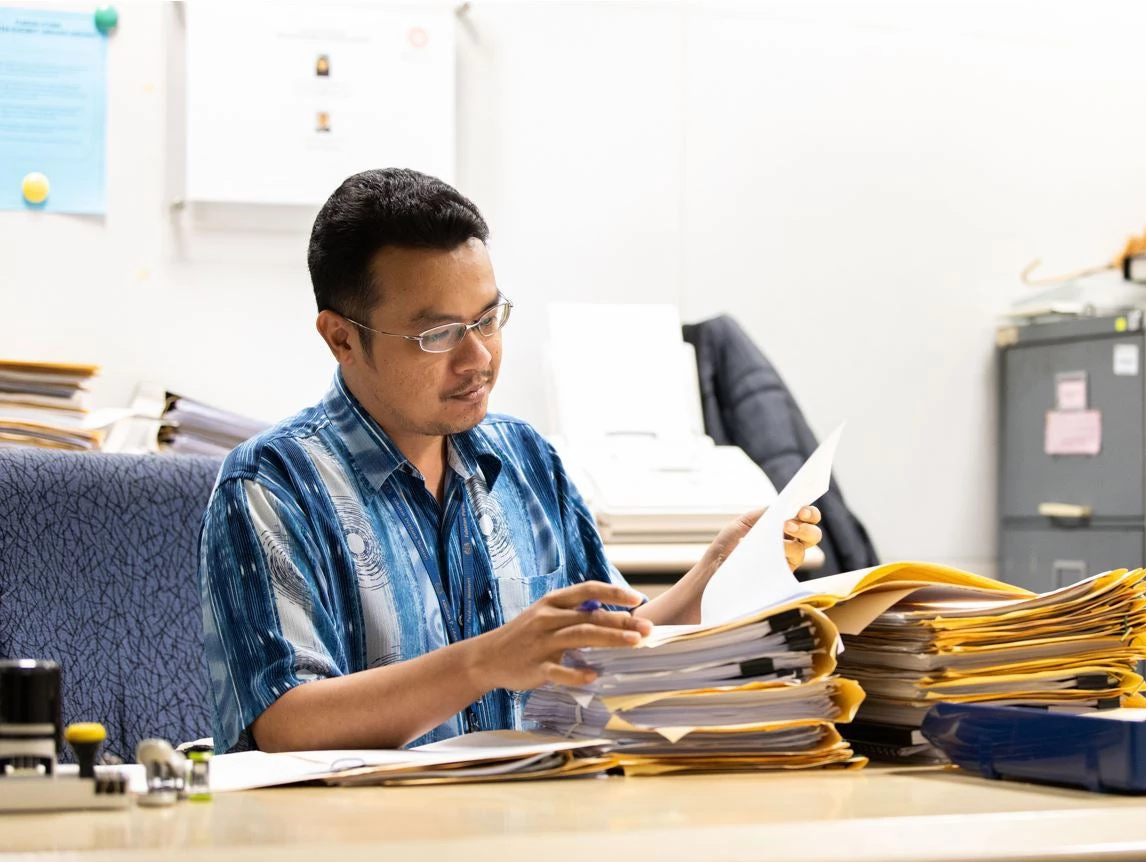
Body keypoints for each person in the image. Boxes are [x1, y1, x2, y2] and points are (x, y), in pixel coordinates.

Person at [199, 168, 824, 754]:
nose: (478, 358)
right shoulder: (272, 486)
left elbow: (600, 650)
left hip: (532, 826)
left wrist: (709, 577)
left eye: (488, 318)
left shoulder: (523, 461)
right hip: (367, 851)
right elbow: (285, 723)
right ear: (341, 337)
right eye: (438, 334)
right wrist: (486, 661)